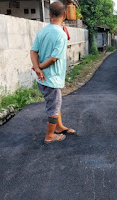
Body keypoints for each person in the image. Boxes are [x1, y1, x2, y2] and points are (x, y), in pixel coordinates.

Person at [30, 2, 76, 144]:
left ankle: (59, 127)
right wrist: (40, 68)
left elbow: (33, 51)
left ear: (49, 15)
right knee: (54, 106)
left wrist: (37, 67)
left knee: (56, 103)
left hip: (43, 78)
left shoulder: (42, 31)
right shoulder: (60, 34)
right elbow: (54, 59)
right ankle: (50, 135)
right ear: (64, 15)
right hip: (51, 78)